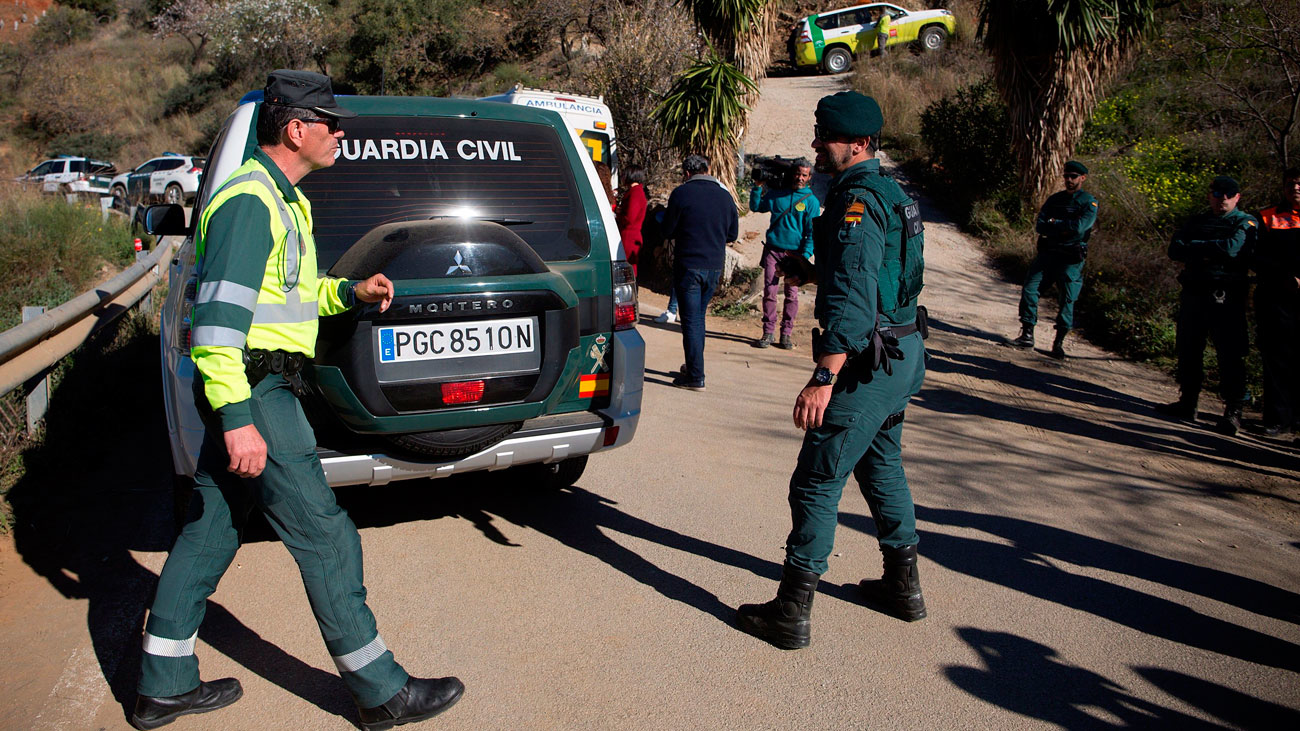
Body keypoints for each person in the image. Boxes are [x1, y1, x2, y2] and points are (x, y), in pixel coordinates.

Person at [132, 70, 464, 730]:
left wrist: (350, 293)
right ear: (295, 129)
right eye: (330, 124)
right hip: (255, 388)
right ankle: (381, 691)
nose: (340, 134)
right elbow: (218, 324)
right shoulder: (251, 202)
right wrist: (237, 419)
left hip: (258, 383)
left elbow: (289, 296)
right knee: (326, 535)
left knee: (210, 531)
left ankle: (161, 685)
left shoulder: (283, 199)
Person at [737, 90, 927, 649]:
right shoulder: (890, 191)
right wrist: (815, 271)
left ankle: (791, 613)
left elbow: (855, 296)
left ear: (860, 143)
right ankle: (903, 589)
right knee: (881, 466)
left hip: (868, 366)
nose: (818, 145)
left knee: (817, 480)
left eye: (828, 138)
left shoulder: (857, 202)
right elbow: (878, 273)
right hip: (902, 354)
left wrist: (824, 377)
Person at [1157, 175, 1258, 435]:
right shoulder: (1197, 220)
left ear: (1237, 197)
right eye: (1217, 193)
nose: (1222, 198)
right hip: (1194, 292)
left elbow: (1231, 249)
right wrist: (1209, 249)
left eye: (1228, 194)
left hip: (1226, 297)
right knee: (1188, 348)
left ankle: (1233, 410)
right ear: (1209, 195)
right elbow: (1175, 250)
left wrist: (1196, 247)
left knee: (1230, 354)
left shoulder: (1245, 222)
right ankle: (1188, 402)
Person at [661, 153, 739, 391]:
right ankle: (694, 366)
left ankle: (696, 375)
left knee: (691, 321)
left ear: (686, 173)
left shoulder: (681, 194)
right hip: (714, 266)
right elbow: (733, 234)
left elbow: (668, 230)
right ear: (708, 169)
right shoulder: (725, 196)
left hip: (689, 265)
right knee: (698, 318)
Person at [1008, 161, 1099, 359]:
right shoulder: (1055, 199)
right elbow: (1041, 226)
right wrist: (1063, 226)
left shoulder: (1088, 202)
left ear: (1082, 178)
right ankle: (1027, 334)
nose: (1069, 180)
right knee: (1030, 289)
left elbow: (1079, 228)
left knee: (1067, 300)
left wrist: (1055, 224)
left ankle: (1058, 343)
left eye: (1073, 176)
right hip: (1048, 254)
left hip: (1070, 259)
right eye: (1066, 176)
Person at [750, 158, 820, 349]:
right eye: (797, 174)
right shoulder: (776, 194)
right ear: (792, 174)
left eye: (804, 175)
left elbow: (812, 232)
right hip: (773, 250)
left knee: (792, 295)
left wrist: (805, 256)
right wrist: (757, 187)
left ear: (809, 177)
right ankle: (768, 332)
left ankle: (786, 334)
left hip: (795, 255)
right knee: (770, 292)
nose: (800, 178)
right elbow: (756, 207)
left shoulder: (811, 202)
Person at [1251, 167, 1300, 436]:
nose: (1295, 188)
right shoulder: (1267, 216)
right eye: (1291, 183)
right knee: (1276, 358)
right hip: (1276, 299)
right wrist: (1284, 276)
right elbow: (1256, 256)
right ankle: (1277, 419)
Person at [616, 164, 648, 279]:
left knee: (627, 269)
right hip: (632, 236)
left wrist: (618, 213)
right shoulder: (637, 191)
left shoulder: (635, 193)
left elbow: (629, 218)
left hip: (628, 236)